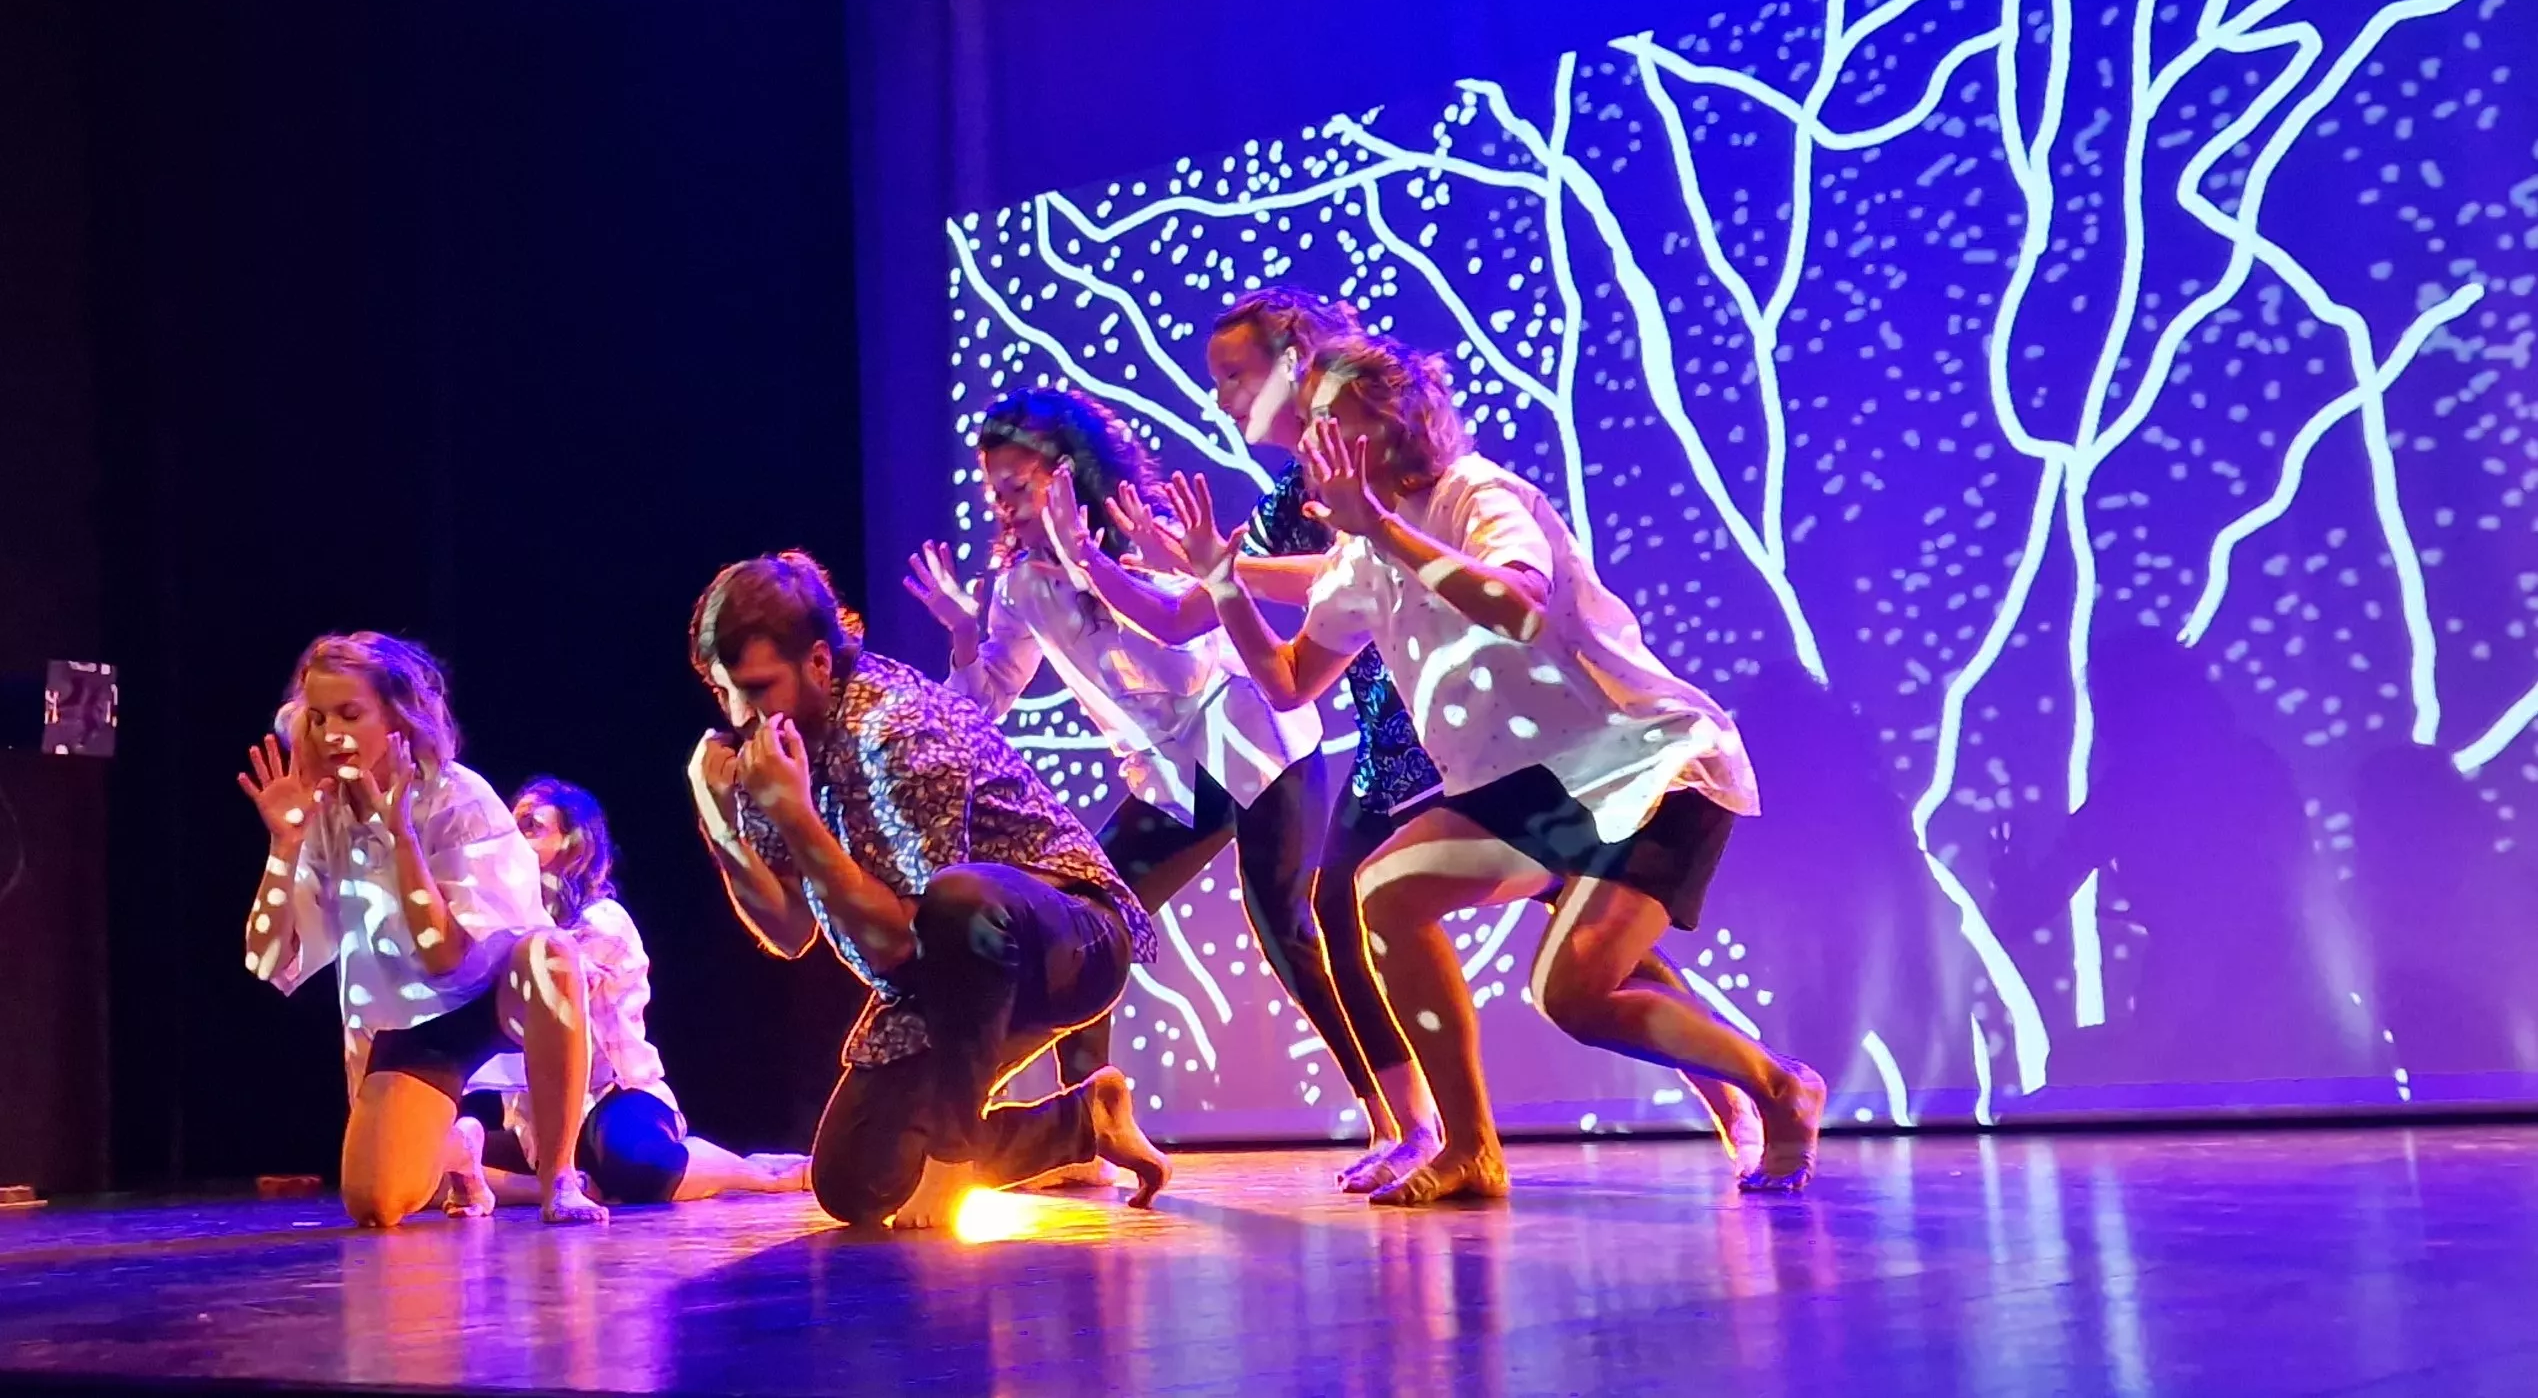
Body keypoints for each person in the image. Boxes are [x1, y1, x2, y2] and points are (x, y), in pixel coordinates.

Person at [1148, 339, 1827, 1204]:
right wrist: (1224, 582)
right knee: (1385, 888)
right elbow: (1288, 682)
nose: (1319, 438)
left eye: (1337, 418)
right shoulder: (1358, 558)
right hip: (1535, 787)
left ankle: (1777, 1084)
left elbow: (1517, 606)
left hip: (1652, 763)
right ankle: (1470, 1146)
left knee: (1573, 993)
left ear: (1394, 424)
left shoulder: (1475, 494)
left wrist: (1384, 529)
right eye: (1314, 421)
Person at [903, 387, 1382, 1177]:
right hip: (1170, 777)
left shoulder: (1140, 531)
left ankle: (1389, 1114)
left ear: (1066, 473)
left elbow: (1181, 635)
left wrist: (1089, 561)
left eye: (1018, 486)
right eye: (996, 492)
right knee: (1083, 923)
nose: (1005, 506)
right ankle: (1086, 1129)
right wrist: (961, 634)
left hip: (1251, 740)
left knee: (1287, 929)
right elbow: (983, 703)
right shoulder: (1022, 586)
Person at [684, 552, 1173, 1230]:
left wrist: (797, 818)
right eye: (723, 692)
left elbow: (903, 938)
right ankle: (1083, 1121)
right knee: (854, 1181)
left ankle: (954, 1158)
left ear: (819, 663)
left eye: (757, 687)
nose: (741, 713)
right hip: (941, 981)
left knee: (958, 899)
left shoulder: (899, 728)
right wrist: (722, 825)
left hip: (1069, 941)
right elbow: (790, 931)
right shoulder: (774, 746)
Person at [235, 632, 607, 1226]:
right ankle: (460, 1150)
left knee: (553, 955)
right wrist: (285, 844)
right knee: (376, 1205)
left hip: (494, 992)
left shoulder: (461, 799)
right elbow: (265, 959)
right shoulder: (323, 813)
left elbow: (445, 958)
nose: (331, 734)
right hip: (415, 1021)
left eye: (350, 714)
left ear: (397, 717)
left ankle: (559, 1179)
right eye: (319, 717)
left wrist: (401, 837)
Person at [460, 777, 811, 1206]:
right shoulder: (508, 931)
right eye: (510, 827)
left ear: (573, 845)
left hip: (615, 1096)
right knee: (430, 1157)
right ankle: (565, 1186)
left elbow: (552, 986)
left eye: (531, 826)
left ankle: (764, 1175)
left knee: (640, 1169)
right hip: (534, 1121)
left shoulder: (602, 922)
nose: (514, 839)